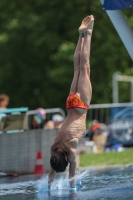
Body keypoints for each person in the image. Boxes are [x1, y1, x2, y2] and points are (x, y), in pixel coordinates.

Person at [48, 15, 94, 189]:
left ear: (66, 159)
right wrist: (50, 186)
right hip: (70, 103)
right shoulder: (53, 149)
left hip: (81, 105)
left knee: (85, 66)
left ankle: (88, 33)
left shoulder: (71, 151)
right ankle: (80, 35)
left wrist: (72, 189)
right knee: (77, 67)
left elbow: (72, 174)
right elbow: (51, 172)